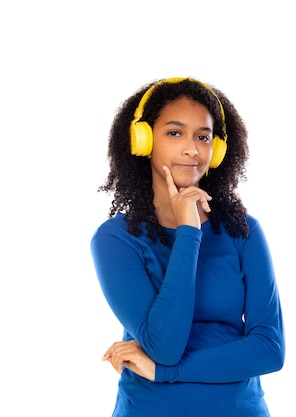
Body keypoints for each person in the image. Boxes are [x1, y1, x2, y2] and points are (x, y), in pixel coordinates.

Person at [90, 77, 285, 417]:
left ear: (218, 149)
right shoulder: (115, 239)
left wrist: (166, 371)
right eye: (175, 133)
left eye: (203, 137)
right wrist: (188, 233)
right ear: (144, 141)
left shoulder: (244, 231)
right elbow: (165, 345)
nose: (192, 149)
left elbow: (269, 350)